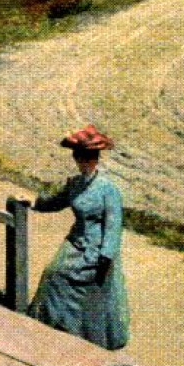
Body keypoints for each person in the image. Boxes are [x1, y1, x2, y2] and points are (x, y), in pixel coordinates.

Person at [27, 124, 130, 350]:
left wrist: (106, 255)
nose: (83, 164)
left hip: (98, 249)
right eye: (79, 159)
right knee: (52, 274)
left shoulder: (107, 189)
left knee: (94, 293)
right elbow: (56, 202)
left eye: (87, 159)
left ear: (95, 160)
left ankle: (90, 337)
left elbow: (113, 225)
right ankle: (52, 324)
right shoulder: (74, 184)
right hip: (75, 243)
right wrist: (32, 202)